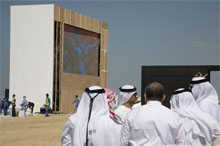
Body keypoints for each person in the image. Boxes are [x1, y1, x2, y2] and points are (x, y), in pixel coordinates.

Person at [120, 82, 185, 146]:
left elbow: (124, 142)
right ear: (163, 97)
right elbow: (181, 143)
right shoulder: (174, 116)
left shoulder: (132, 114)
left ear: (145, 96)